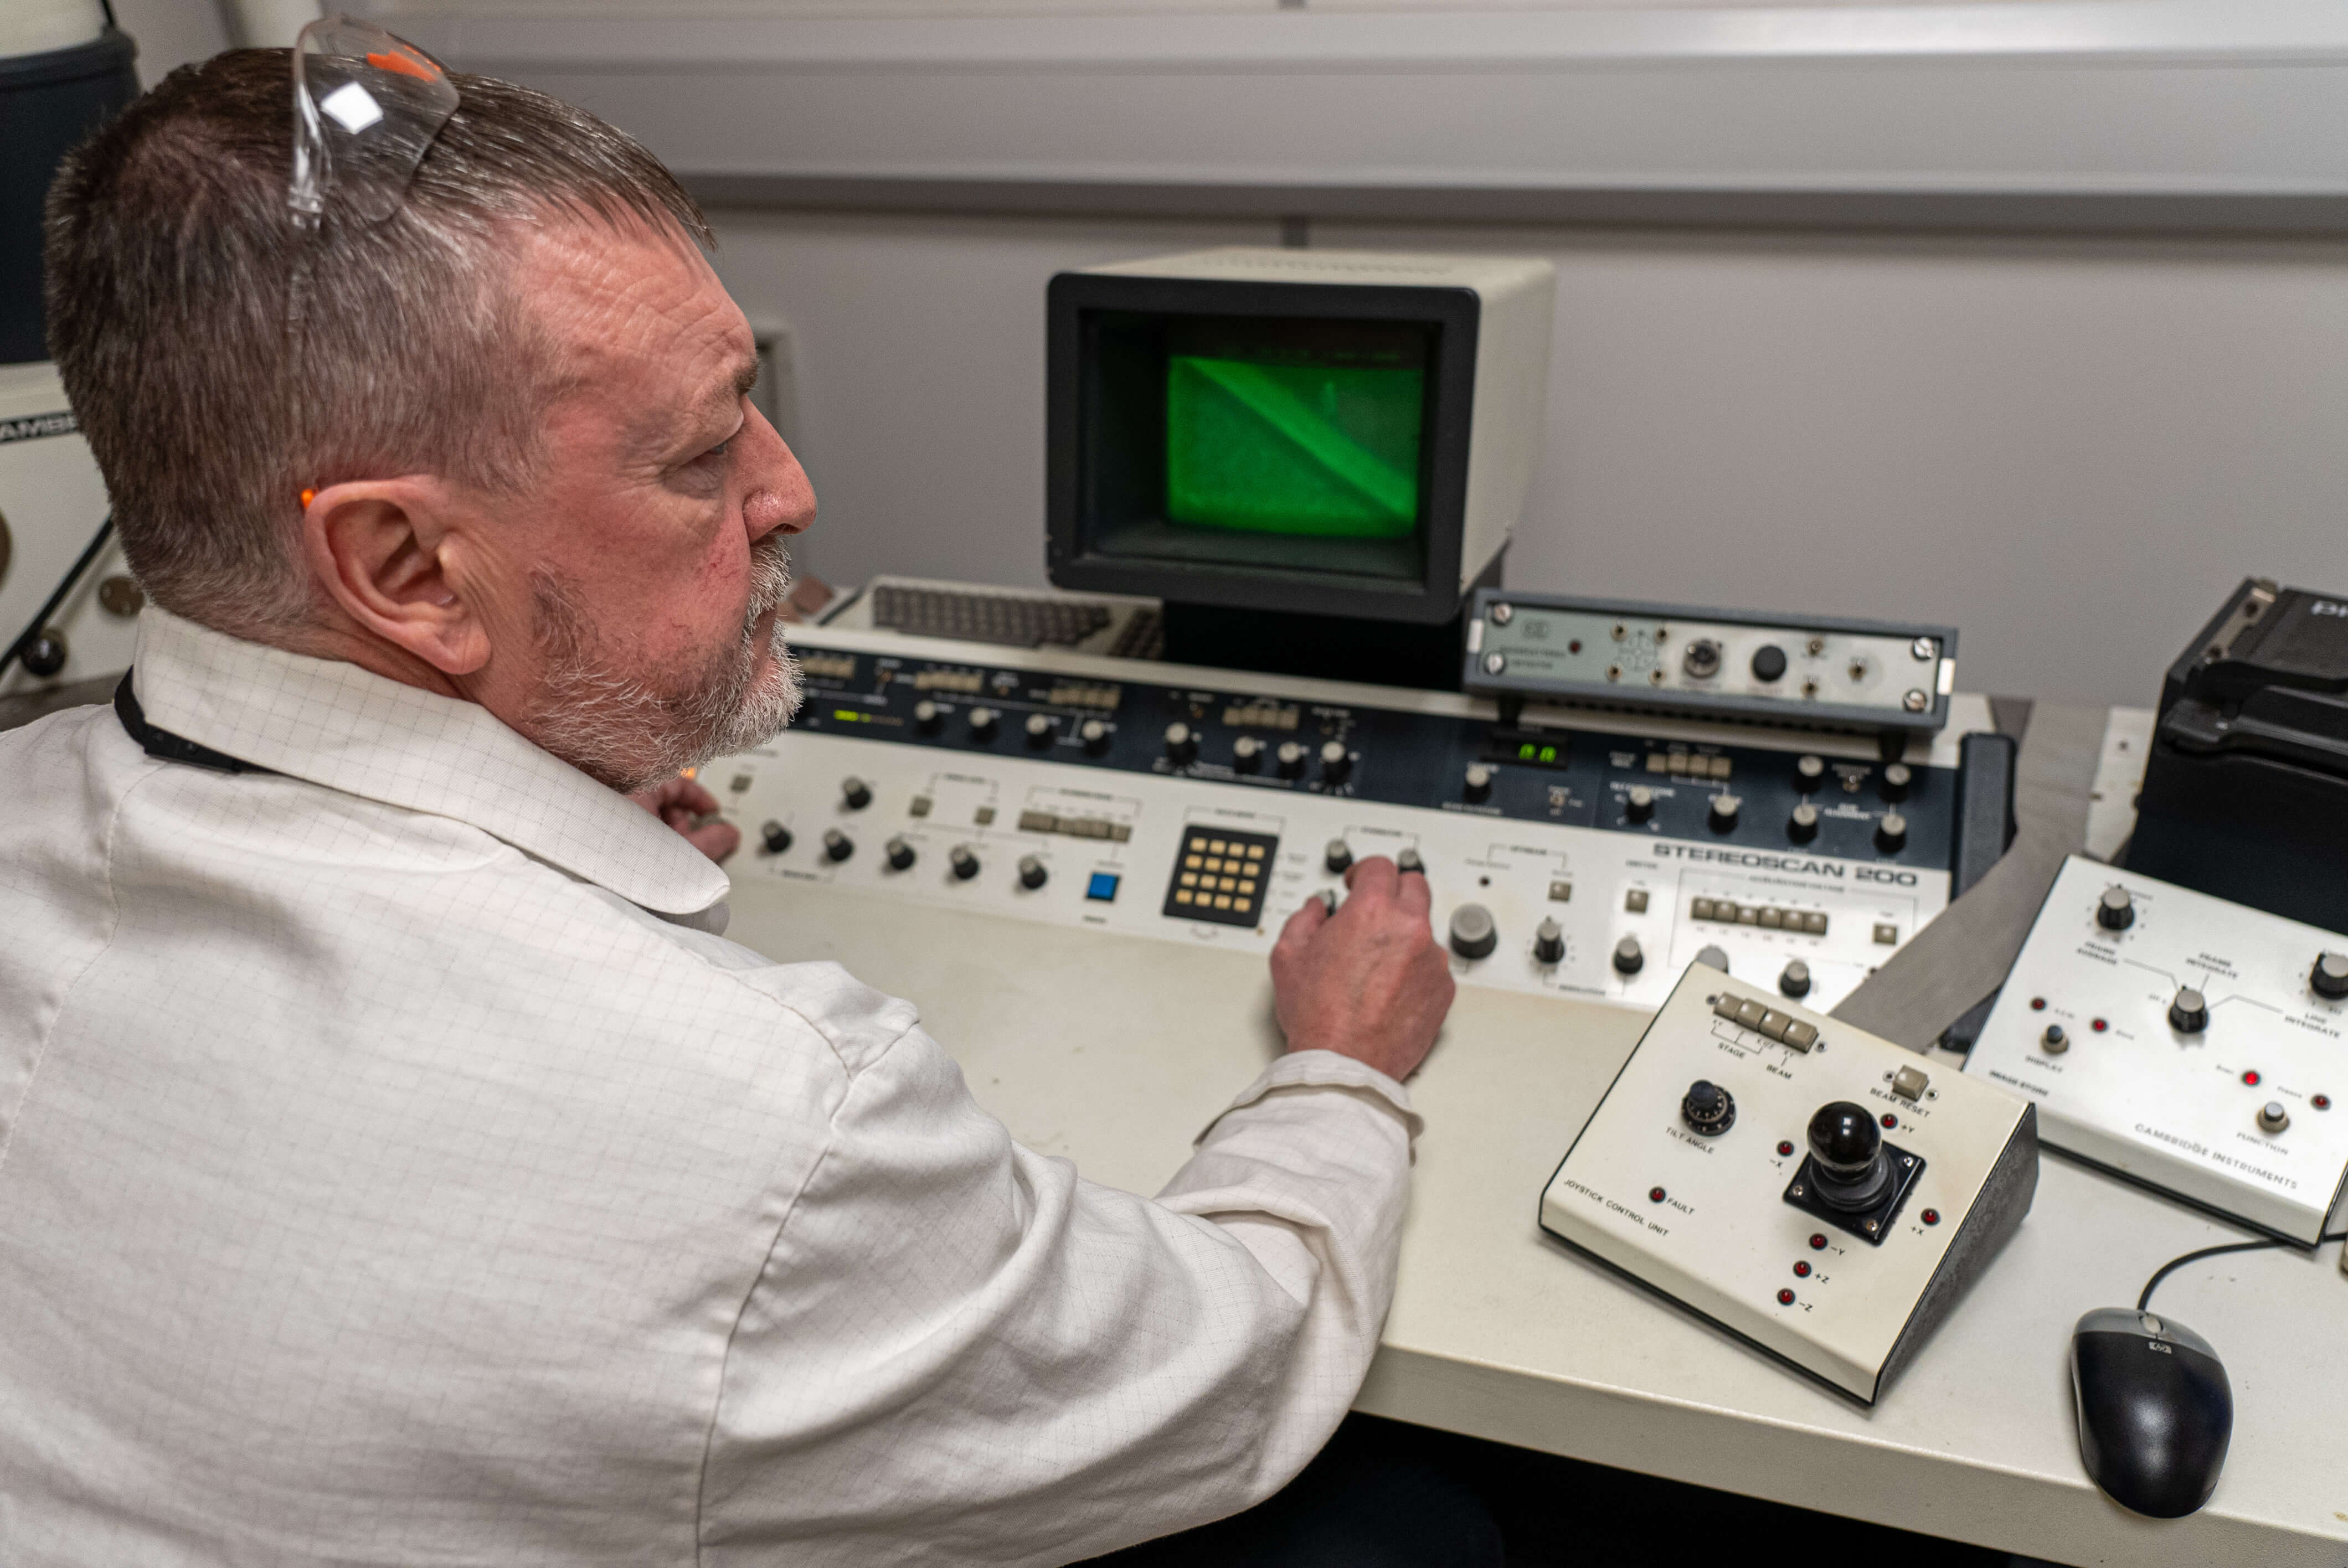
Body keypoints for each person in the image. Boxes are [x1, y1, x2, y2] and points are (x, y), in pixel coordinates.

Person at [0, 43, 1472, 1566]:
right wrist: (1342, 1076)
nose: (791, 491)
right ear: (404, 572)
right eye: (703, 455)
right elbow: (1236, 1366)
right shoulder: (762, 1118)